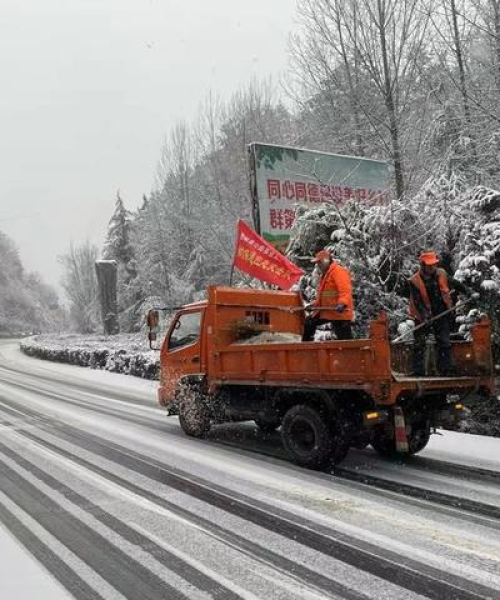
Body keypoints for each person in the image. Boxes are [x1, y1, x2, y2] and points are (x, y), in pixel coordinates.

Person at [409, 250, 471, 376]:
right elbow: (417, 302)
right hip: (421, 316)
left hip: (441, 313)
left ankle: (446, 369)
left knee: (444, 341)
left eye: (434, 264)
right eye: (429, 265)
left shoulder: (442, 274)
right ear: (423, 265)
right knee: (419, 343)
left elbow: (456, 284)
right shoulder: (414, 281)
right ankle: (418, 371)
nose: (432, 267)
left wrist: (469, 292)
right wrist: (426, 316)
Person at [302, 249, 354, 341]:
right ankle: (307, 347)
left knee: (346, 341)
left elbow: (345, 290)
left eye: (319, 262)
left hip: (340, 312)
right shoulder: (326, 274)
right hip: (328, 311)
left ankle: (353, 354)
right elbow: (325, 296)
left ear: (326, 261)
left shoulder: (338, 271)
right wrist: (313, 305)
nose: (317, 265)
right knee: (309, 322)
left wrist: (342, 303)